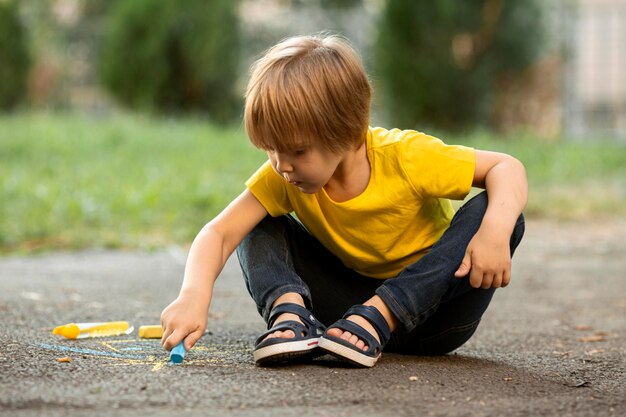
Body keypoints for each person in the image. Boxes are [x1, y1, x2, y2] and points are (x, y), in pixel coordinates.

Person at [160, 34, 527, 368]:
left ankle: (381, 312)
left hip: (435, 318)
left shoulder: (406, 156)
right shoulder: (284, 175)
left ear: (349, 132)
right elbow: (220, 233)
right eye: (270, 149)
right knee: (254, 220)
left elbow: (506, 167)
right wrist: (193, 295)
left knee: (499, 213)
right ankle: (292, 317)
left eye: (297, 150)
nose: (281, 165)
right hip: (346, 319)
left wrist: (495, 232)